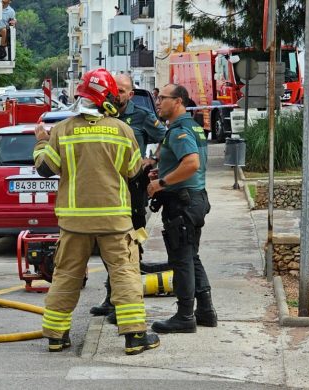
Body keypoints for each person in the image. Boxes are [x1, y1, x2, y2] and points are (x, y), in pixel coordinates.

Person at [33, 68, 160, 355]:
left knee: (66, 275)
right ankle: (134, 337)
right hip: (114, 221)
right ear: (107, 99)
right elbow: (131, 170)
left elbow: (43, 169)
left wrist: (41, 140)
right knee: (124, 275)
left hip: (74, 222)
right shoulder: (122, 130)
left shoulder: (63, 130)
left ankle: (56, 336)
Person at [89, 74, 167, 319]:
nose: (118, 94)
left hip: (132, 189)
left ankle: (126, 301)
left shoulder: (141, 116)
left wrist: (153, 159)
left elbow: (167, 138)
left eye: (122, 91)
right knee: (108, 246)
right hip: (106, 190)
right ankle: (112, 297)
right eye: (116, 90)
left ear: (130, 94)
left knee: (130, 245)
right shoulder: (101, 115)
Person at [147, 84, 217, 333]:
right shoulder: (193, 126)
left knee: (182, 260)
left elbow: (191, 163)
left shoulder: (180, 129)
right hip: (194, 199)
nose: (158, 102)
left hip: (183, 203)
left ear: (177, 101)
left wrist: (161, 183)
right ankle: (206, 311)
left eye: (162, 98)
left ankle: (185, 316)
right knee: (191, 256)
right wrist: (162, 170)